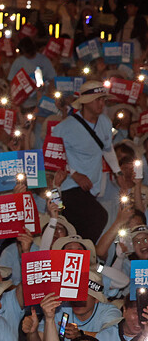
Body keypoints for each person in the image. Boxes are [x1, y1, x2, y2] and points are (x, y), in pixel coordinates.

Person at [51, 80, 113, 241]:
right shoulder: (64, 127)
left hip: (91, 188)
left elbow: (108, 149)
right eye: (97, 99)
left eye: (103, 99)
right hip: (68, 186)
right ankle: (83, 251)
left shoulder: (105, 122)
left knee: (75, 227)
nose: (101, 103)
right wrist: (74, 174)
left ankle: (75, 251)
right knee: (99, 217)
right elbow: (52, 156)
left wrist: (118, 171)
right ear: (85, 102)